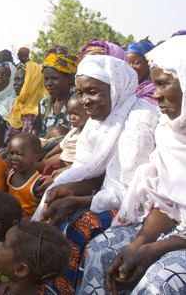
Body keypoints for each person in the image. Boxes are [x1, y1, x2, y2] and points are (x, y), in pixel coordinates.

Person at [33, 55, 159, 294]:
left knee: (82, 224)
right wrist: (66, 190)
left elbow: (130, 192)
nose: (84, 101)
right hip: (109, 196)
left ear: (117, 87)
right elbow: (90, 170)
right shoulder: (98, 120)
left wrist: (75, 200)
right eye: (80, 93)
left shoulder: (140, 119)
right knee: (53, 206)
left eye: (93, 92)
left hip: (141, 207)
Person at [80, 35, 186, 294]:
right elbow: (167, 203)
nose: (157, 95)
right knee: (102, 249)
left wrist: (156, 248)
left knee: (160, 281)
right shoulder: (169, 132)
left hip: (176, 240)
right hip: (175, 228)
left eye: (163, 84)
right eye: (154, 84)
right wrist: (138, 244)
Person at [40, 93, 89, 177]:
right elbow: (61, 145)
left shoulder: (87, 135)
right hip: (61, 166)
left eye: (76, 114)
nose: (72, 117)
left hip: (72, 171)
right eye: (69, 114)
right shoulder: (73, 131)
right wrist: (48, 155)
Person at [35, 53, 77, 138]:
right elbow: (40, 134)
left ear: (69, 79)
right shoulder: (44, 103)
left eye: (54, 78)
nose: (49, 83)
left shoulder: (77, 101)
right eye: (46, 79)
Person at [4, 59, 49, 136]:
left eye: (19, 79)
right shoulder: (18, 105)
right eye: (14, 80)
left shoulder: (43, 109)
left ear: (33, 82)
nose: (15, 84)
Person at [6, 133, 43, 218]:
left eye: (20, 154)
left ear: (36, 158)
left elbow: (40, 213)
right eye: (11, 153)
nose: (14, 158)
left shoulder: (38, 183)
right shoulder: (9, 174)